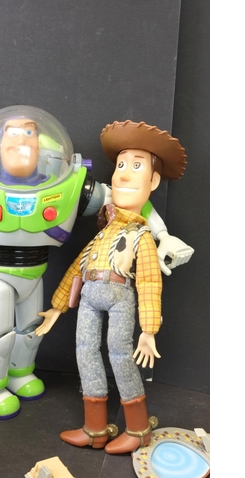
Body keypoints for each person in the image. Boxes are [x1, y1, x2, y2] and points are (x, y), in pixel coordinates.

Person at [0, 106, 192, 420]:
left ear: (42, 146)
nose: (20, 142)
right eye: (12, 134)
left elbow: (128, 198)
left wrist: (162, 235)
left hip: (35, 272)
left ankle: (19, 372)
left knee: (31, 329)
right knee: (0, 333)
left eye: (29, 133)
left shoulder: (71, 187)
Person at [36, 120, 188, 453]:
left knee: (120, 354)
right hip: (89, 297)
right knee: (85, 351)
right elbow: (78, 267)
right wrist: (57, 308)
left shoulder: (141, 236)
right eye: (120, 165)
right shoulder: (103, 232)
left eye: (137, 166)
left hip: (120, 297)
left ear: (153, 181)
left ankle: (137, 428)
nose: (124, 175)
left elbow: (149, 282)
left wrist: (149, 330)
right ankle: (95, 428)